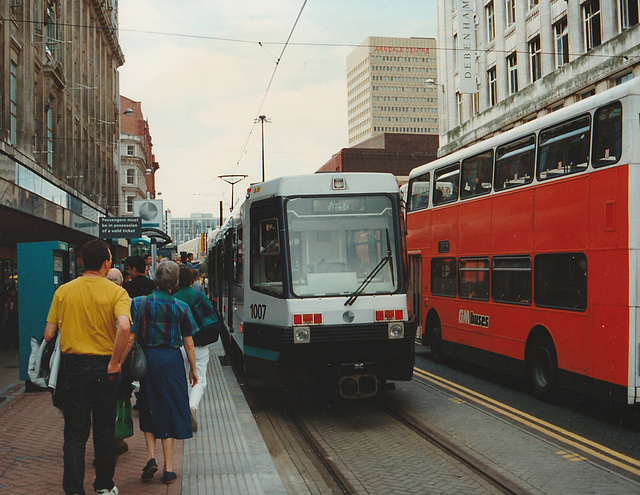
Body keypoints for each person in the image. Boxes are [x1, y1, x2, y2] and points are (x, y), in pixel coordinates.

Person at [43, 239, 132, 495]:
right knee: (104, 431)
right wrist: (115, 361)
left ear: (83, 262)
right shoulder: (117, 292)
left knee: (74, 434)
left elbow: (49, 334)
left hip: (73, 368)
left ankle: (73, 489)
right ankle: (104, 486)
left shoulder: (64, 291)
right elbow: (124, 327)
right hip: (105, 367)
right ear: (106, 264)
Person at [131, 260, 199, 485]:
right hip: (171, 361)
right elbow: (189, 343)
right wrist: (194, 370)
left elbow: (131, 335)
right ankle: (169, 469)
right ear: (175, 282)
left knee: (148, 406)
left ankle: (151, 457)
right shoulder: (181, 307)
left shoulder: (139, 303)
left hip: (147, 361)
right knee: (169, 409)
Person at [174, 267, 216, 432]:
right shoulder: (199, 295)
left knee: (183, 378)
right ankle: (191, 408)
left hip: (179, 345)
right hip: (198, 345)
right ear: (192, 281)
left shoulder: (173, 298)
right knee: (199, 379)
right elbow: (212, 317)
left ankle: (183, 409)